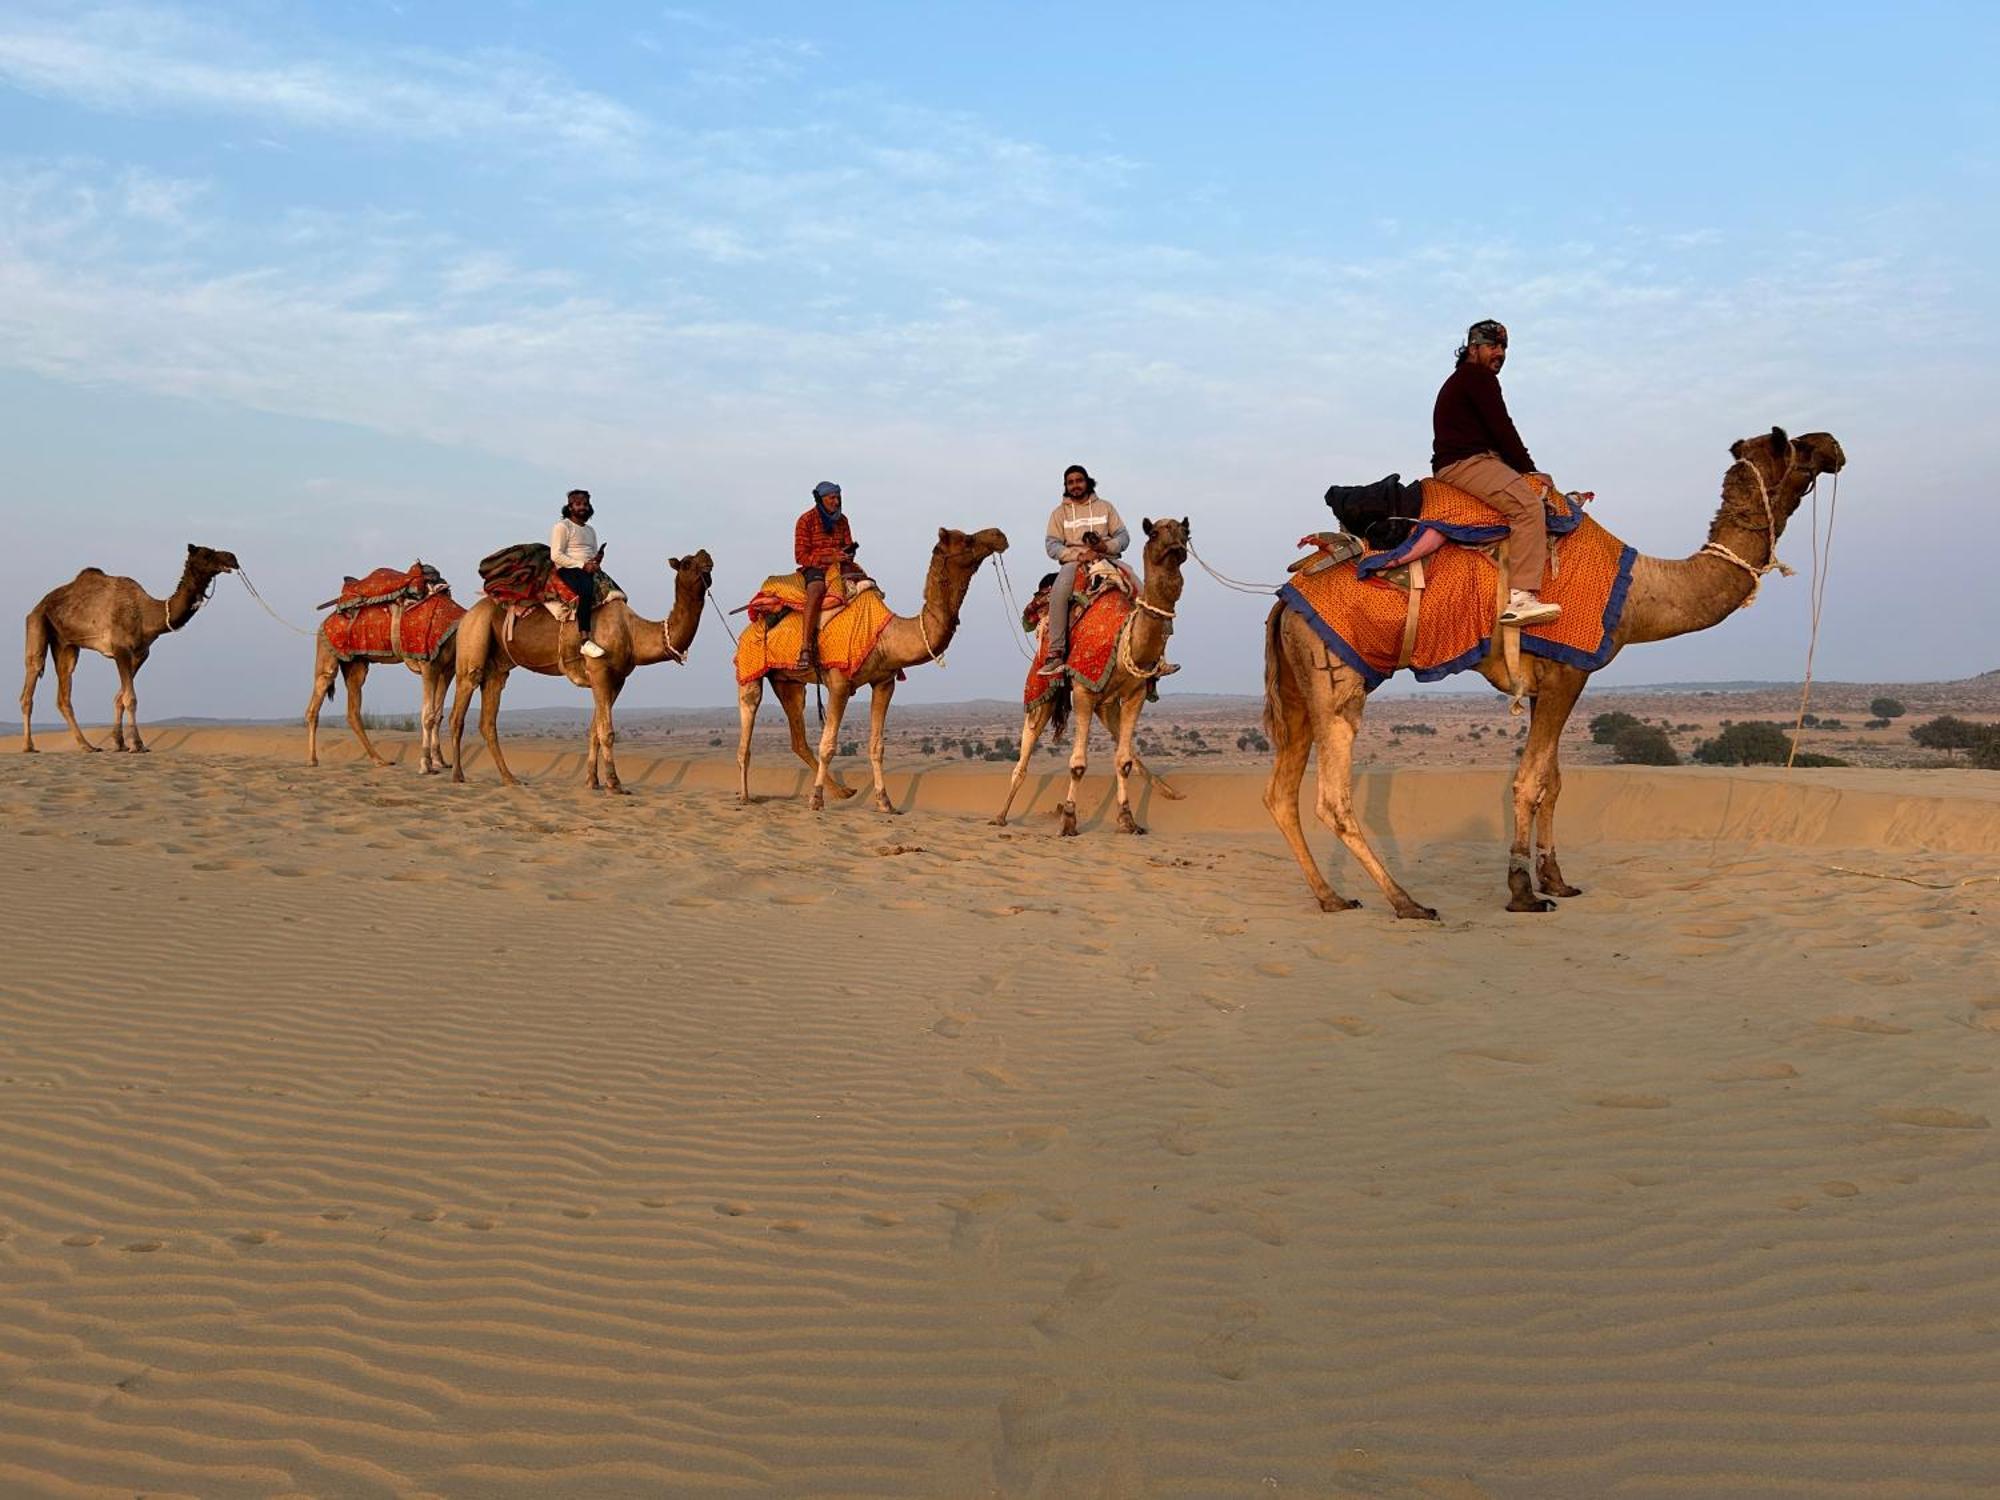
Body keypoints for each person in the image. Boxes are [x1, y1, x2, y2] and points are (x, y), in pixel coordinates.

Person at [1431, 320, 1561, 626]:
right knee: (1529, 508)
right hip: (1467, 463)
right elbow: (1502, 428)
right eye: (1493, 346)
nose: (1500, 353)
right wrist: (1530, 470)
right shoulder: (1477, 378)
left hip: (1471, 461)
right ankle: (1521, 598)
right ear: (1473, 349)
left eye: (1503, 348)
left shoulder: (1464, 380)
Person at [1039, 465, 1130, 676]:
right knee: (1059, 594)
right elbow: (1052, 545)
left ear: (1087, 482)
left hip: (1107, 559)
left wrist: (1105, 547)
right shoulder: (1059, 514)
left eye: (1079, 480)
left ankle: (1153, 659)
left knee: (1139, 589)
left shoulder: (1105, 507)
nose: (1075, 485)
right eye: (1070, 482)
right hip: (1075, 562)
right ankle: (1056, 653)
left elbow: (1123, 537)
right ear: (1066, 486)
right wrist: (1078, 556)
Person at [793, 480, 857, 670]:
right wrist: (829, 558)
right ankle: (805, 647)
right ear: (821, 500)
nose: (836, 502)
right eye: (832, 498)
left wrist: (848, 553)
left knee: (868, 588)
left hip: (841, 566)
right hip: (816, 568)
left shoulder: (842, 520)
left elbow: (847, 544)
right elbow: (801, 556)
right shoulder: (806, 521)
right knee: (816, 591)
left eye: (838, 497)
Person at [549, 488, 608, 657]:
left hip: (589, 569)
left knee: (618, 595)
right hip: (569, 569)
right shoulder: (562, 527)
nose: (583, 507)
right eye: (578, 504)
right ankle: (584, 639)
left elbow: (590, 554)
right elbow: (556, 555)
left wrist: (596, 560)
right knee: (585, 592)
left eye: (586, 504)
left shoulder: (590, 530)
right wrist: (582, 565)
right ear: (570, 507)